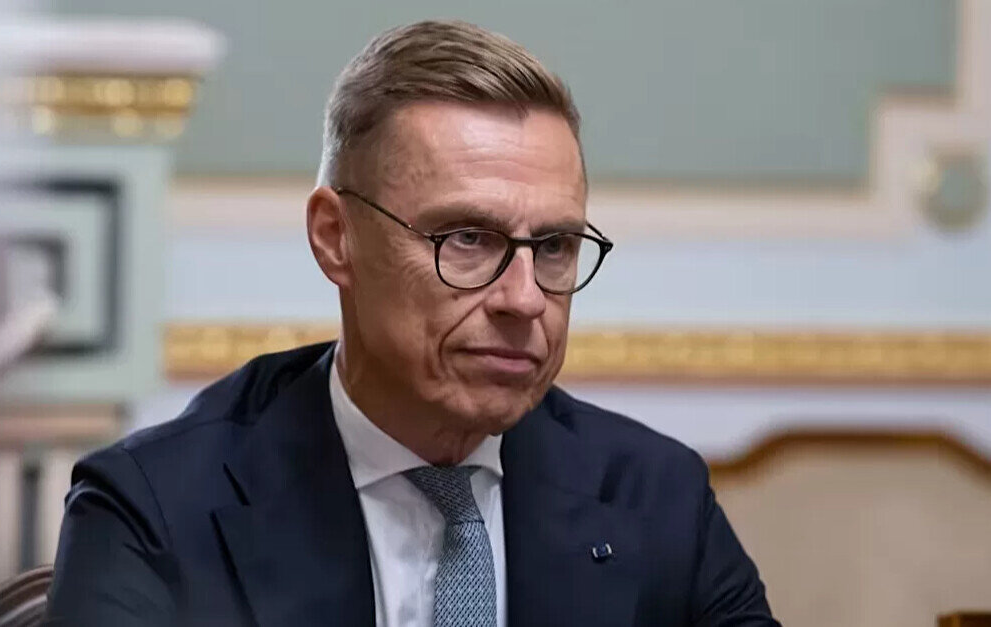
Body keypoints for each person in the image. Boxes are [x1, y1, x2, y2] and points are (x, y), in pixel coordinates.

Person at [46, 20, 779, 627]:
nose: (525, 299)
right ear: (335, 237)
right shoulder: (159, 508)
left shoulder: (656, 496)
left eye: (554, 246)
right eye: (467, 238)